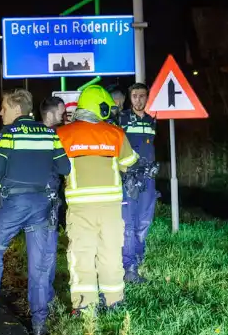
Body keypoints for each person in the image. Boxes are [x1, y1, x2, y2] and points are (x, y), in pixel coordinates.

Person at [0, 89, 70, 335]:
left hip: (14, 205)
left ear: (17, 109)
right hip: (43, 205)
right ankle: (40, 324)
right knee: (40, 266)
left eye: (4, 108)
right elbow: (64, 166)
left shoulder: (8, 134)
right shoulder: (49, 134)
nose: (0, 112)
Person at [56, 85, 139, 312]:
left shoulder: (63, 134)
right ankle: (115, 301)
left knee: (81, 255)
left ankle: (84, 304)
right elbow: (129, 163)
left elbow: (56, 168)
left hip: (79, 207)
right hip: (111, 207)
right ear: (101, 108)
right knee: (111, 253)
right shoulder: (116, 133)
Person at [118, 83, 157, 284]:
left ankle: (138, 260)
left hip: (148, 179)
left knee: (145, 221)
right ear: (129, 98)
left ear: (147, 97)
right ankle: (129, 267)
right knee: (128, 224)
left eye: (142, 96)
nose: (138, 100)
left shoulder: (152, 121)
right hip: (129, 179)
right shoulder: (122, 119)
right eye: (135, 96)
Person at [38, 95, 67, 316]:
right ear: (50, 114)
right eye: (61, 112)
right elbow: (64, 167)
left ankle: (43, 296)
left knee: (43, 250)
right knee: (47, 250)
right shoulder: (53, 136)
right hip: (49, 200)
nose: (64, 116)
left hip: (40, 200)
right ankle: (44, 301)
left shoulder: (34, 134)